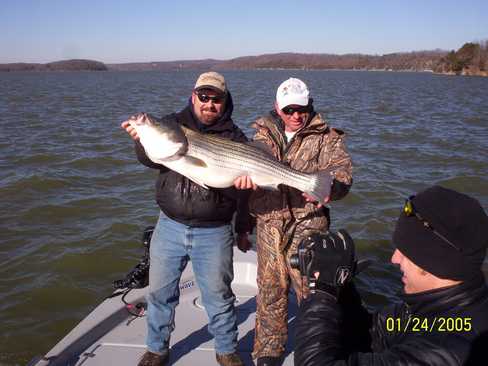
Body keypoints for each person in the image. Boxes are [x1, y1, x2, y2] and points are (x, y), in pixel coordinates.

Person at [121, 72, 252, 366]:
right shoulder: (172, 124)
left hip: (215, 231)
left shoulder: (235, 137)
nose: (209, 104)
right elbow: (150, 158)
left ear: (224, 101)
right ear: (193, 96)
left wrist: (244, 226)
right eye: (203, 97)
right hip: (169, 226)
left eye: (215, 99)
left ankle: (227, 350)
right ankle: (157, 348)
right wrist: (142, 139)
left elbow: (245, 197)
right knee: (159, 294)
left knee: (219, 297)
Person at [294, 185, 488, 366]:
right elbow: (370, 333)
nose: (394, 259)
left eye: (406, 252)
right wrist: (340, 285)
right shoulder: (435, 311)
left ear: (438, 262)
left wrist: (323, 291)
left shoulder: (447, 349)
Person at [235, 77, 353, 365]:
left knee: (313, 295)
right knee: (270, 291)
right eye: (289, 110)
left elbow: (343, 175)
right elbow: (241, 173)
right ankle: (268, 353)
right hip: (269, 223)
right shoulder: (261, 135)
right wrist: (243, 219)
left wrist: (329, 189)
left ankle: (318, 354)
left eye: (301, 109)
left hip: (309, 224)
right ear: (277, 108)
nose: (296, 116)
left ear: (310, 105)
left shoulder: (327, 136)